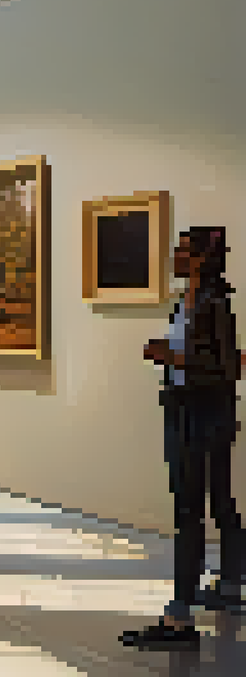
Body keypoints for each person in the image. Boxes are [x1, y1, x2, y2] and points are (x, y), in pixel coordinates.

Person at [124, 226, 244, 651]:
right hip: (187, 410)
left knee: (191, 509)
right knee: (203, 504)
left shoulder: (214, 304)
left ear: (198, 259)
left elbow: (227, 365)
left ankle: (180, 616)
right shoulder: (187, 303)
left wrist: (172, 356)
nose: (174, 255)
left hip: (203, 416)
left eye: (182, 250)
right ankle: (222, 587)